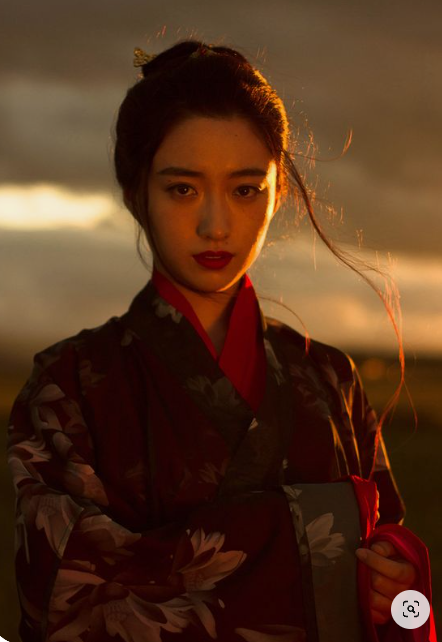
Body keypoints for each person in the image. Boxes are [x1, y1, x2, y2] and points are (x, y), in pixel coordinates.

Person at [6, 40, 435, 642]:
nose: (216, 225)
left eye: (244, 189)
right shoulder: (68, 384)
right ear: (135, 194)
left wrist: (402, 593)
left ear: (278, 192)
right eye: (183, 189)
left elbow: (405, 603)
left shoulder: (331, 379)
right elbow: (62, 602)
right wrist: (314, 549)